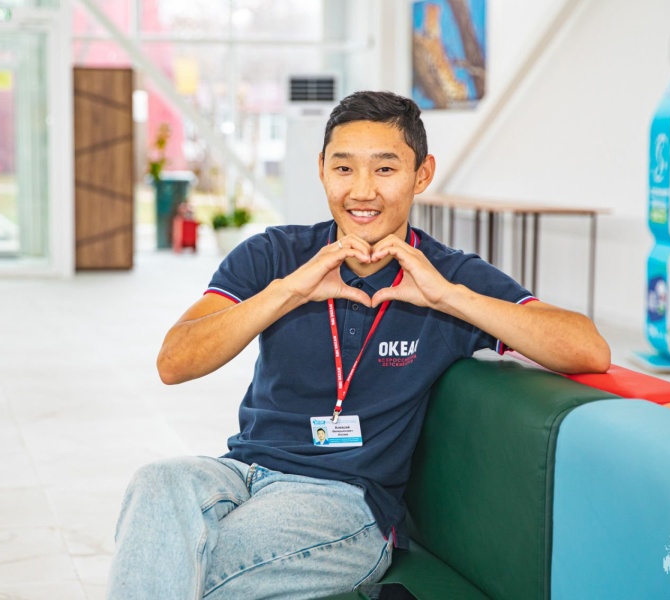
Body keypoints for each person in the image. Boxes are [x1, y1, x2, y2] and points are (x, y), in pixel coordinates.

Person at [107, 90, 611, 599]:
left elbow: (587, 348)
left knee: (181, 565)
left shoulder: (447, 274)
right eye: (344, 168)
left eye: (385, 169)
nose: (362, 191)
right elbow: (174, 362)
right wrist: (289, 291)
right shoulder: (275, 254)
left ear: (422, 174)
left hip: (344, 502)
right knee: (158, 483)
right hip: (240, 473)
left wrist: (448, 297)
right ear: (322, 170)